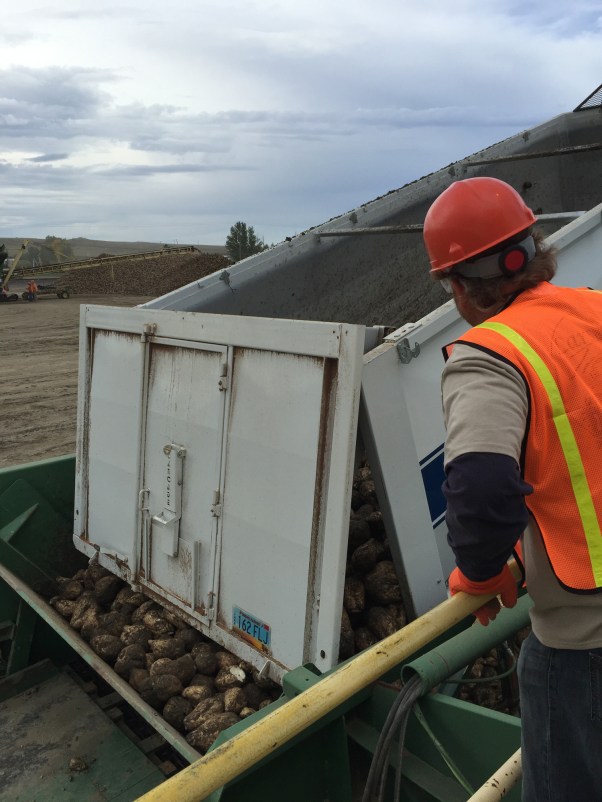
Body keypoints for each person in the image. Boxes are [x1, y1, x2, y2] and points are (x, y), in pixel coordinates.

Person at [422, 176, 602, 802]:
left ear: (463, 287)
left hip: (584, 645)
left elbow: (480, 486)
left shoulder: (487, 354)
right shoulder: (594, 309)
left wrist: (480, 571)